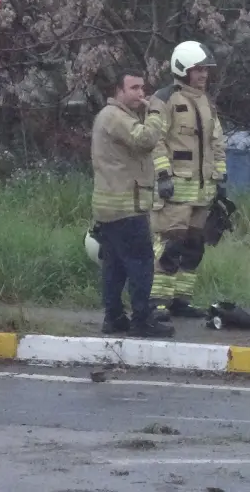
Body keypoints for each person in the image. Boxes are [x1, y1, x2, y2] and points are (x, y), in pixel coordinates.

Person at [90, 71, 174, 337]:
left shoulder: (113, 116)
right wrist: (156, 111)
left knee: (115, 266)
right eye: (134, 88)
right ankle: (141, 320)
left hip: (112, 208)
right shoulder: (115, 116)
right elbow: (145, 139)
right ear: (119, 91)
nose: (141, 93)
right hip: (127, 207)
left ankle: (114, 317)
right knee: (141, 264)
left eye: (142, 88)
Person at [148, 41, 227, 321]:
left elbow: (217, 143)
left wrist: (220, 178)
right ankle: (157, 302)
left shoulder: (207, 102)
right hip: (174, 191)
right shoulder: (165, 99)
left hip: (203, 192)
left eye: (206, 70)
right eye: (198, 70)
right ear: (182, 69)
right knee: (169, 247)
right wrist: (162, 175)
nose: (204, 74)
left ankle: (181, 301)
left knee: (194, 248)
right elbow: (155, 140)